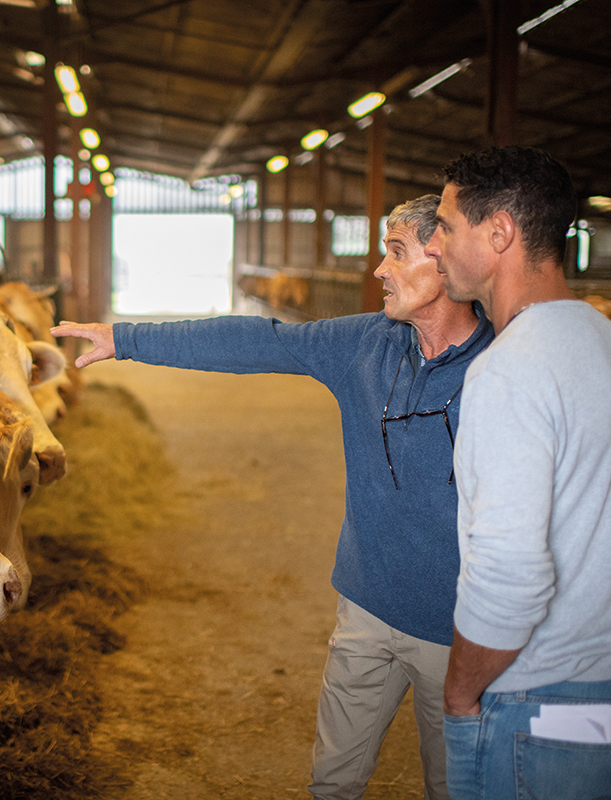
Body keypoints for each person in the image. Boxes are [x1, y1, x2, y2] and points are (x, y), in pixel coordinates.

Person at [52, 194, 493, 800]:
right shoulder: (365, 344)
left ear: (443, 262)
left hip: (459, 632)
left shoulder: (505, 366)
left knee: (458, 787)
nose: (379, 271)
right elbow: (255, 341)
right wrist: (126, 338)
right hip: (364, 609)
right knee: (331, 783)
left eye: (395, 253)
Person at [425, 145, 611, 799]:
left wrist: (462, 690)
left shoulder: (509, 371)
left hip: (545, 709)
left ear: (499, 232)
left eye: (446, 224)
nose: (435, 246)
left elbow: (511, 578)